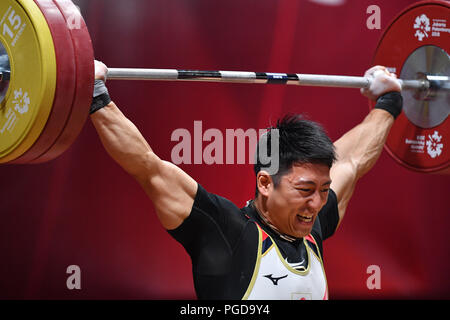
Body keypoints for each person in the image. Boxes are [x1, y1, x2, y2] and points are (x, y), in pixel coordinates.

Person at [90, 61, 402, 299]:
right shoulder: (226, 234)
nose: (318, 202)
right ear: (266, 184)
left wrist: (388, 102)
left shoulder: (313, 226)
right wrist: (96, 96)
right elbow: (148, 167)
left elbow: (352, 160)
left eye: (323, 190)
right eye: (306, 190)